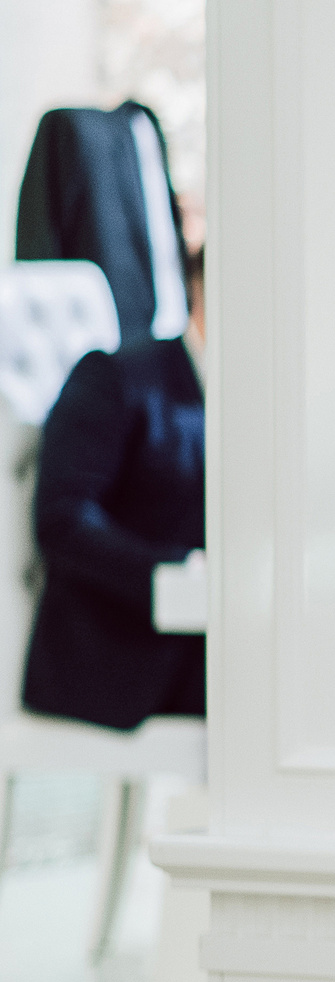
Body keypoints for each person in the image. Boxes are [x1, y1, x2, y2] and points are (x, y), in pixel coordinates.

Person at [24, 241, 205, 730]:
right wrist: (179, 574)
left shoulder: (262, 402)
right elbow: (63, 519)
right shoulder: (118, 376)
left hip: (205, 646)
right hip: (119, 653)